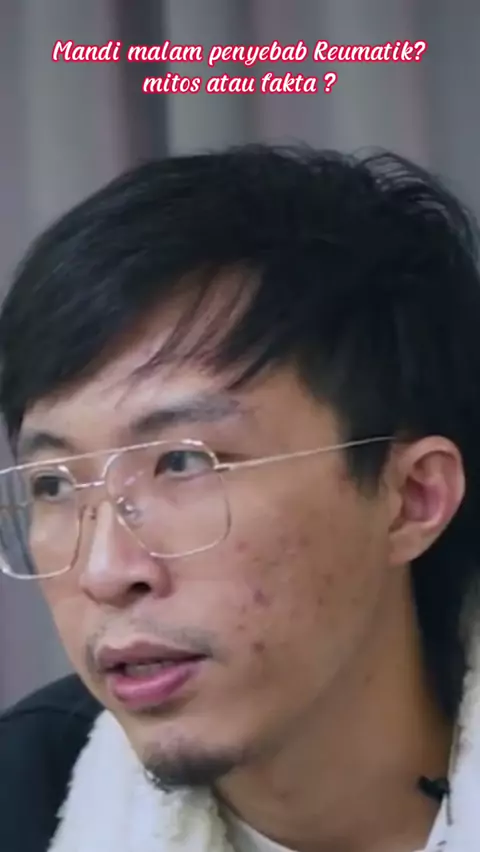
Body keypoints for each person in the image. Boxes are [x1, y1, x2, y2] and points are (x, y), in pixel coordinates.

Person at [0, 145, 479, 852]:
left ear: (412, 497)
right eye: (54, 485)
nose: (105, 572)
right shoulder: (21, 802)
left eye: (182, 462)